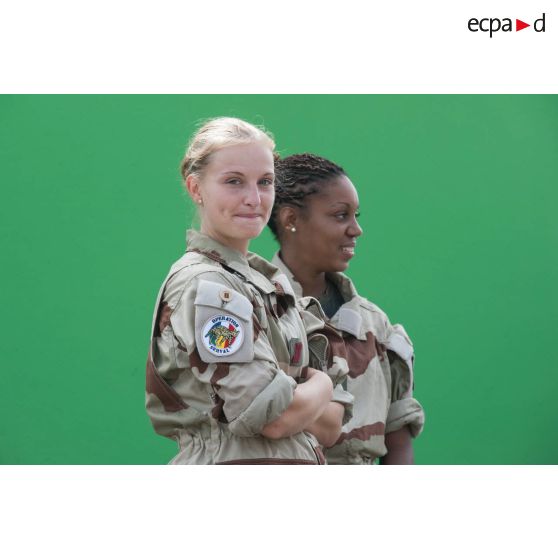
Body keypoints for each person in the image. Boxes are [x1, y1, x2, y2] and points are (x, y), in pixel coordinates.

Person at [145, 118, 352, 464]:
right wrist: (322, 386)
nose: (254, 199)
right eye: (234, 182)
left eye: (265, 182)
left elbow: (333, 423)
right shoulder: (207, 286)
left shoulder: (271, 285)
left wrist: (302, 397)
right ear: (196, 189)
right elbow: (270, 417)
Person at [268, 153, 425, 464]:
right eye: (340, 216)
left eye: (356, 216)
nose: (356, 230)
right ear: (290, 220)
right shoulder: (258, 312)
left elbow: (398, 442)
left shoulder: (376, 325)